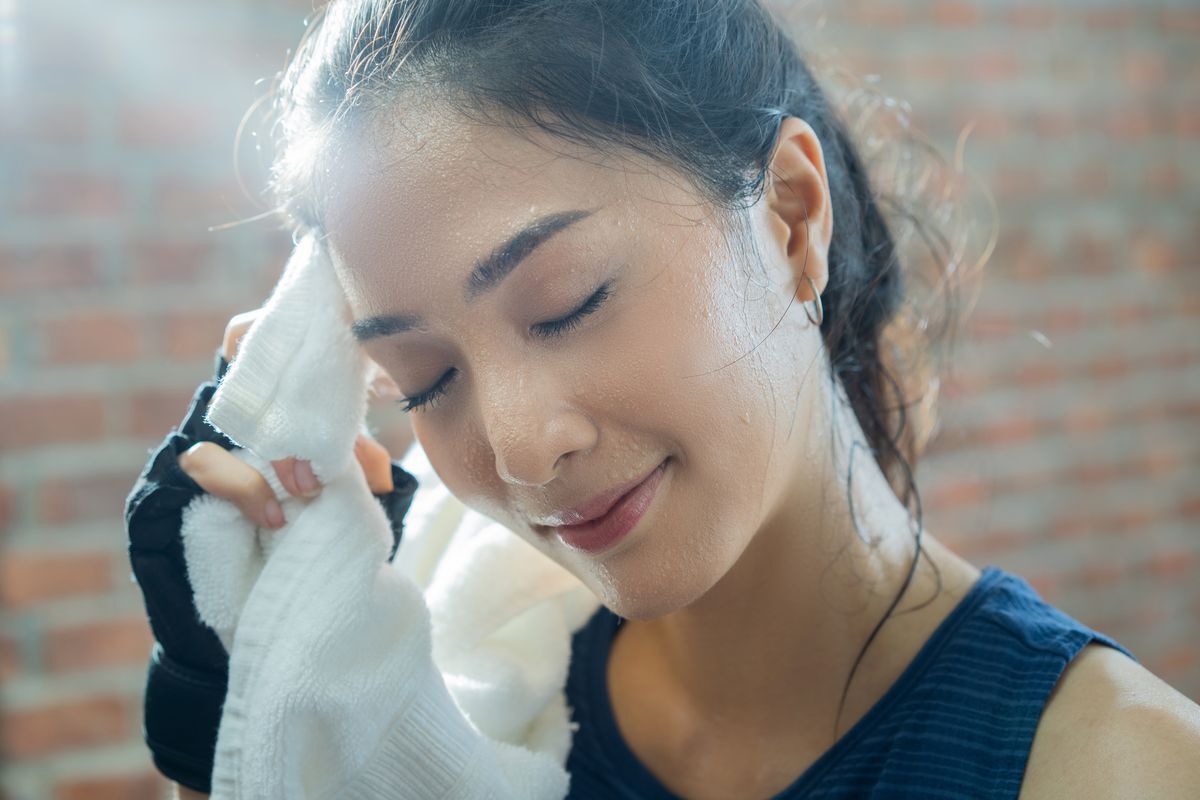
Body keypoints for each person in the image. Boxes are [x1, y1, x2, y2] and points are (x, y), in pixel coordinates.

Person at [125, 0, 1200, 798]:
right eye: (427, 382)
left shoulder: (1118, 768)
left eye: (567, 302)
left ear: (789, 215)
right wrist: (245, 689)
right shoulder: (451, 707)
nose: (519, 447)